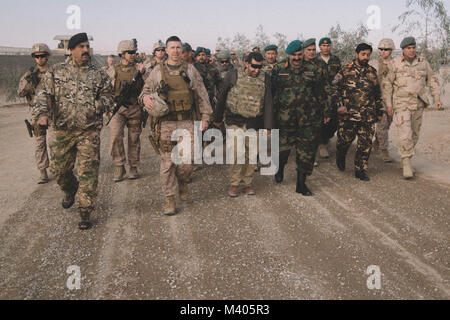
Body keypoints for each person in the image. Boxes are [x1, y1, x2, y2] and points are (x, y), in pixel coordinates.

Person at [33, 33, 114, 230]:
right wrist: (42, 114)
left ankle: (85, 210)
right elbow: (42, 95)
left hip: (89, 132)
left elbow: (110, 97)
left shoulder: (98, 73)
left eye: (87, 46)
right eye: (81, 47)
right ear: (71, 50)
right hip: (63, 131)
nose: (86, 50)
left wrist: (96, 105)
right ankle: (70, 189)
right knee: (59, 170)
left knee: (88, 173)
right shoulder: (56, 72)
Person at [139, 36, 213, 215]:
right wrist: (145, 98)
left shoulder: (190, 70)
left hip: (187, 121)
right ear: (166, 50)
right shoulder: (157, 71)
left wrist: (205, 117)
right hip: (165, 123)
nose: (176, 50)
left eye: (178, 47)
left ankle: (182, 180)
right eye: (172, 47)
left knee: (188, 161)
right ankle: (169, 199)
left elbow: (202, 94)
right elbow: (144, 92)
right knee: (167, 162)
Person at [272, 40, 331, 195]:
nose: (297, 58)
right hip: (285, 120)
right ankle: (280, 168)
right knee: (283, 151)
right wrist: (269, 119)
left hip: (308, 119)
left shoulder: (313, 69)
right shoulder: (278, 69)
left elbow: (323, 92)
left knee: (306, 153)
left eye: (299, 55)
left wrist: (326, 112)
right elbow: (270, 95)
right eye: (294, 55)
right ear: (288, 55)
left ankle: (301, 183)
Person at [213, 52, 273, 197]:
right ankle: (234, 183)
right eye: (253, 66)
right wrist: (217, 117)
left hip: (255, 122)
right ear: (246, 63)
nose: (256, 70)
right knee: (236, 154)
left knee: (251, 156)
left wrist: (268, 125)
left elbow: (269, 102)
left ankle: (247, 183)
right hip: (235, 121)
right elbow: (222, 96)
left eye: (259, 67)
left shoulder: (265, 78)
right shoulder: (233, 75)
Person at [382, 36, 442, 179]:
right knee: (405, 133)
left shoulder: (423, 62)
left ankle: (406, 157)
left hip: (418, 103)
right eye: (409, 48)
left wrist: (437, 99)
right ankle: (406, 162)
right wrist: (389, 104)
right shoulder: (394, 64)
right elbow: (387, 85)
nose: (412, 50)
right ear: (403, 49)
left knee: (415, 134)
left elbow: (432, 80)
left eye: (413, 47)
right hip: (401, 104)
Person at [333, 43, 384, 181]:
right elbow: (333, 90)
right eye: (363, 54)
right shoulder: (345, 70)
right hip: (348, 115)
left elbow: (377, 94)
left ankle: (360, 169)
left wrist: (379, 111)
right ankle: (341, 154)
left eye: (368, 54)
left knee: (365, 144)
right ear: (356, 54)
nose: (365, 57)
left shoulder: (372, 72)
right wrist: (339, 106)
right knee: (344, 141)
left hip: (367, 116)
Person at [109, 40, 146, 182]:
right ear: (122, 54)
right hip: (118, 108)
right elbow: (106, 89)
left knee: (134, 138)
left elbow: (148, 87)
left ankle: (133, 166)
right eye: (129, 53)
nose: (132, 55)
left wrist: (142, 73)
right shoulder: (113, 70)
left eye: (134, 53)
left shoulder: (140, 69)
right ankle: (119, 165)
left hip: (134, 107)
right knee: (115, 136)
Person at [17, 43, 54, 184]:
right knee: (40, 143)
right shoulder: (30, 75)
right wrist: (28, 82)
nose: (40, 59)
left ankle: (57, 168)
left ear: (47, 57)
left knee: (54, 142)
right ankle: (43, 171)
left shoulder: (54, 72)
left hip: (52, 112)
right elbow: (20, 93)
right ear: (34, 58)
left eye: (42, 56)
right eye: (37, 57)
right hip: (36, 114)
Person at [370, 38, 396, 163]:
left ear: (391, 50)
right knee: (382, 123)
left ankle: (377, 140)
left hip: (393, 98)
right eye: (381, 49)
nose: (383, 52)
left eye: (386, 49)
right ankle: (384, 150)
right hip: (378, 98)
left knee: (387, 124)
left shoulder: (396, 63)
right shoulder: (373, 63)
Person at [315, 37, 342, 159]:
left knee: (333, 120)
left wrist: (337, 81)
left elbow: (339, 75)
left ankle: (327, 138)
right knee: (320, 119)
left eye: (328, 46)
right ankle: (321, 144)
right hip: (319, 95)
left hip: (333, 94)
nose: (326, 48)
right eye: (323, 46)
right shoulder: (315, 60)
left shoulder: (335, 60)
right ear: (319, 47)